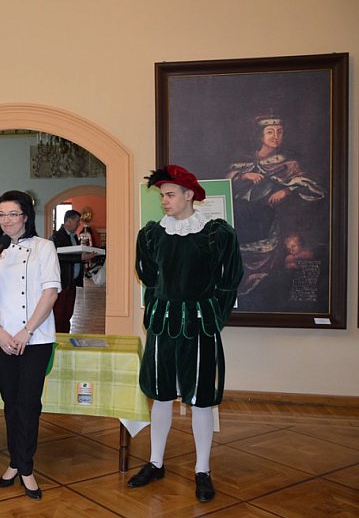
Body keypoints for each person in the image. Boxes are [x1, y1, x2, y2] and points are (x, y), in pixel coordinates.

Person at [127, 165, 243, 503]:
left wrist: (214, 316)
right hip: (163, 322)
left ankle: (202, 469)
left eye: (170, 194)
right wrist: (154, 311)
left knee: (201, 397)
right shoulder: (152, 234)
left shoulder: (216, 234)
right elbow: (150, 278)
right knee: (161, 394)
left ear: (189, 194)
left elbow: (229, 279)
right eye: (162, 195)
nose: (164, 200)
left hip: (199, 323)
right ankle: (155, 462)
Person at [0, 190, 61, 500]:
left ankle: (26, 467)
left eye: (13, 214)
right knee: (11, 403)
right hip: (3, 340)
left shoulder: (44, 247)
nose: (6, 220)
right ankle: (15, 461)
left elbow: (50, 293)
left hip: (35, 339)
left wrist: (27, 331)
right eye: (1, 215)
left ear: (26, 216)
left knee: (28, 404)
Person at [226, 114, 324, 300]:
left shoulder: (289, 163)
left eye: (280, 132)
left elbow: (312, 187)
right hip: (242, 223)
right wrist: (244, 176)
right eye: (270, 132)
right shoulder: (243, 162)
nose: (276, 136)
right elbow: (224, 186)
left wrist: (286, 190)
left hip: (270, 223)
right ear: (260, 135)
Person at [50, 209, 93, 332]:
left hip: (72, 282)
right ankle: (58, 338)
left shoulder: (74, 236)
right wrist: (80, 258)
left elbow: (74, 253)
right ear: (69, 221)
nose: (79, 224)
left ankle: (65, 338)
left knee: (68, 313)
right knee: (58, 314)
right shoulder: (56, 237)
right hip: (62, 281)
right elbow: (58, 257)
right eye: (77, 221)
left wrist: (85, 255)